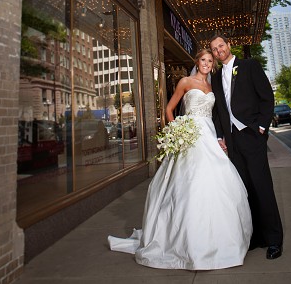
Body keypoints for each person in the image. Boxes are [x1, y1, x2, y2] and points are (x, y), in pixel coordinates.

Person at [108, 48, 252, 270]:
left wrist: (222, 137)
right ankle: (182, 240)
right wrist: (176, 128)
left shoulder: (213, 86)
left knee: (216, 181)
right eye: (203, 60)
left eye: (209, 61)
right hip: (190, 136)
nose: (206, 63)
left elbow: (218, 114)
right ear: (197, 61)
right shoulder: (185, 81)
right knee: (189, 182)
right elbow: (169, 108)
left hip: (209, 135)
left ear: (213, 64)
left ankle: (218, 239)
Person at [210, 32, 284, 260]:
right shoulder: (215, 77)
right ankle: (256, 237)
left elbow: (266, 97)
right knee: (244, 191)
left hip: (251, 135)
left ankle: (274, 241)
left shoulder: (249, 65)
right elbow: (217, 111)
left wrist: (262, 127)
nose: (218, 50)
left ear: (229, 45)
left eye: (221, 45)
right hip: (232, 141)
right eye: (214, 49)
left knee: (262, 187)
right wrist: (221, 135)